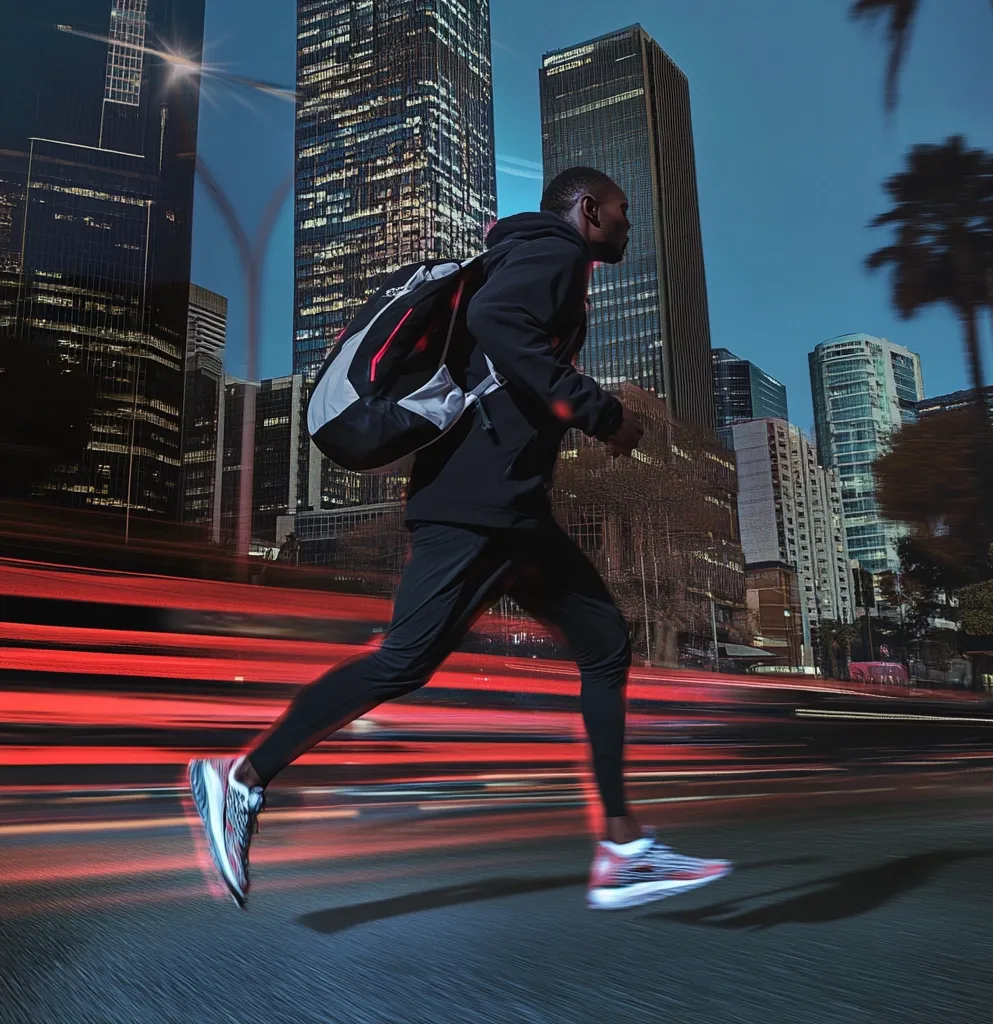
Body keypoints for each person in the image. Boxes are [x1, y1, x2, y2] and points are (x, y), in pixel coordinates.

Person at [189, 167, 732, 911]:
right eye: (621, 213)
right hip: (478, 508)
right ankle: (241, 779)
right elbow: (499, 326)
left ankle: (624, 847)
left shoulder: (529, 255)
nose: (628, 226)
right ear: (588, 209)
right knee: (402, 663)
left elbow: (503, 350)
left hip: (513, 510)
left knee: (604, 642)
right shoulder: (554, 254)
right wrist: (600, 413)